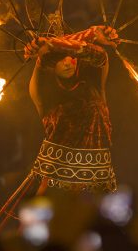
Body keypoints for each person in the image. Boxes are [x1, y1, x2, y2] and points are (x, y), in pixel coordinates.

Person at [24, 25, 118, 193]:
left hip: (94, 183)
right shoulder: (45, 95)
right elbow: (41, 62)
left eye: (72, 56)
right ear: (51, 63)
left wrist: (94, 33)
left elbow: (101, 57)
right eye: (61, 58)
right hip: (57, 186)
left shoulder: (93, 87)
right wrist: (43, 48)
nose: (68, 62)